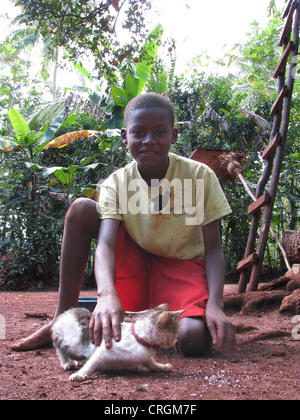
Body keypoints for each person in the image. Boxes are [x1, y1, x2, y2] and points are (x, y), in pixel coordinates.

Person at [12, 93, 235, 357]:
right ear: (124, 136)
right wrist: (106, 294)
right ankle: (61, 321)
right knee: (82, 208)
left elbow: (214, 250)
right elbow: (106, 244)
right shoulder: (117, 183)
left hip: (182, 267)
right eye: (138, 132)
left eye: (160, 132)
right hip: (134, 262)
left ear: (174, 135)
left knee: (193, 340)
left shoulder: (199, 176)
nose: (149, 140)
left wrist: (216, 305)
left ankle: (153, 317)